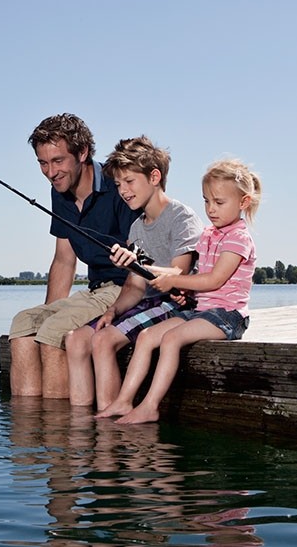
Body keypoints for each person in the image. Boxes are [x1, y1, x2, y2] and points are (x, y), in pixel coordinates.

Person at [100, 158, 261, 424]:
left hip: (228, 316)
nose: (211, 209)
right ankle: (123, 400)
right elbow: (188, 275)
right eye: (206, 201)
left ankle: (150, 406)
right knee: (147, 336)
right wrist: (140, 266)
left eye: (219, 202)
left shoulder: (238, 238)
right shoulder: (209, 234)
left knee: (171, 339)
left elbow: (214, 280)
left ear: (243, 203)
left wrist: (177, 282)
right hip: (202, 312)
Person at [65, 137, 202, 410]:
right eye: (117, 185)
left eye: (129, 181)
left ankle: (111, 423)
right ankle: (79, 430)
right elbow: (136, 286)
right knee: (76, 340)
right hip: (146, 302)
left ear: (154, 176)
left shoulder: (181, 218)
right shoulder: (136, 228)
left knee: (103, 341)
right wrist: (113, 311)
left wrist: (138, 262)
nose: (123, 191)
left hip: (174, 305)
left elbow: (178, 273)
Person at [8, 114, 139, 399]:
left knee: (55, 332)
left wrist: (53, 327)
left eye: (58, 161)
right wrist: (47, 315)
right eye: (43, 163)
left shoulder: (119, 187)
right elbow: (64, 260)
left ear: (82, 153)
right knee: (22, 324)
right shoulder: (60, 191)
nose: (50, 172)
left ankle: (58, 438)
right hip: (95, 291)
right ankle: (27, 435)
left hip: (128, 288)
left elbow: (143, 257)